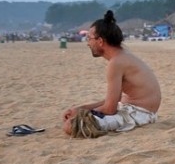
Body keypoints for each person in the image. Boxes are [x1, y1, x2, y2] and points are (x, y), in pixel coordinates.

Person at [62, 10, 162, 138]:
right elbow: (114, 100)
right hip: (140, 110)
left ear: (100, 41)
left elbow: (110, 109)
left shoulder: (116, 63)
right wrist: (81, 108)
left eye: (89, 38)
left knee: (71, 125)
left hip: (139, 114)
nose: (87, 43)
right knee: (76, 118)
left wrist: (83, 113)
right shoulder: (122, 57)